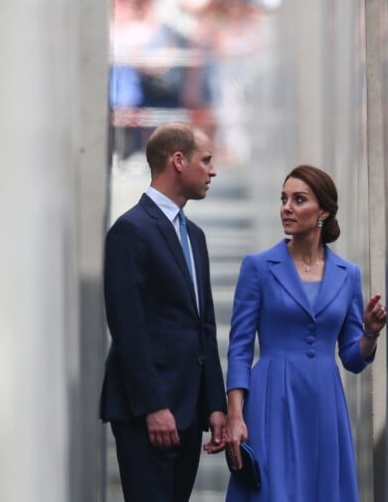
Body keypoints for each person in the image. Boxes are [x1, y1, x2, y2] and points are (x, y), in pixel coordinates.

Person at [224, 164, 387, 501]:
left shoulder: (348, 274)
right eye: (284, 199)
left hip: (325, 399)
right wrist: (235, 416)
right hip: (271, 396)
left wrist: (370, 333)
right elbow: (239, 348)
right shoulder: (258, 267)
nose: (287, 207)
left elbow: (352, 359)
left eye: (299, 200)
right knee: (274, 490)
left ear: (323, 211)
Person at [99, 121, 227, 502]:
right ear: (177, 161)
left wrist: (216, 405)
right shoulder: (130, 231)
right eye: (205, 161)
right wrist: (154, 406)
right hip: (147, 415)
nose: (213, 170)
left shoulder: (195, 237)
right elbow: (128, 329)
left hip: (188, 413)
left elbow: (204, 326)